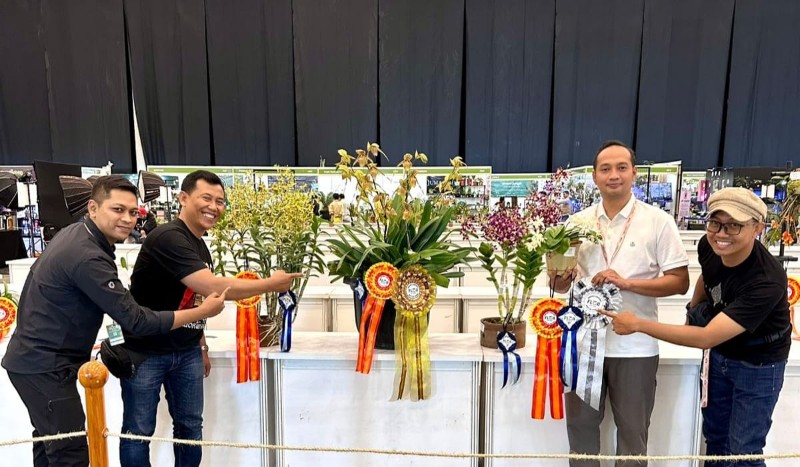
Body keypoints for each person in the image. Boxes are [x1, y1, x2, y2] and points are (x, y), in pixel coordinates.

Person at [1, 175, 227, 467]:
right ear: (93, 208)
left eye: (133, 212)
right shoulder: (88, 254)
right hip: (47, 365)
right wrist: (204, 311)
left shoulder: (83, 238)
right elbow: (135, 319)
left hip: (48, 362)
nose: (128, 219)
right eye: (117, 210)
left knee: (51, 446)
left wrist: (200, 341)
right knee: (72, 453)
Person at [119, 170, 302, 467]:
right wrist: (272, 283)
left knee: (190, 427)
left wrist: (200, 344)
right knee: (138, 432)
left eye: (220, 201)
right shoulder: (168, 237)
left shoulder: (199, 244)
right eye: (207, 198)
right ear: (183, 198)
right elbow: (213, 288)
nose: (214, 207)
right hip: (146, 351)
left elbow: (196, 298)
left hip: (186, 350)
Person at [603, 187, 790, 467]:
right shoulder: (709, 245)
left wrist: (639, 324)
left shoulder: (766, 281)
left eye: (734, 225)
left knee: (743, 451)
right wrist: (694, 307)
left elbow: (705, 337)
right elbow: (707, 275)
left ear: (757, 228)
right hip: (720, 355)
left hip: (759, 364)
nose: (721, 233)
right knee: (714, 437)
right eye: (715, 222)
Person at [550, 140, 690, 467]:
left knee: (632, 435)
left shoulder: (658, 221)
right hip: (583, 346)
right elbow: (557, 285)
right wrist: (561, 275)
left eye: (621, 168)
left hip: (636, 348)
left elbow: (680, 282)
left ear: (634, 173)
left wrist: (628, 284)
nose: (614, 175)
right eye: (606, 169)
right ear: (595, 177)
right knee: (581, 433)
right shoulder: (575, 225)